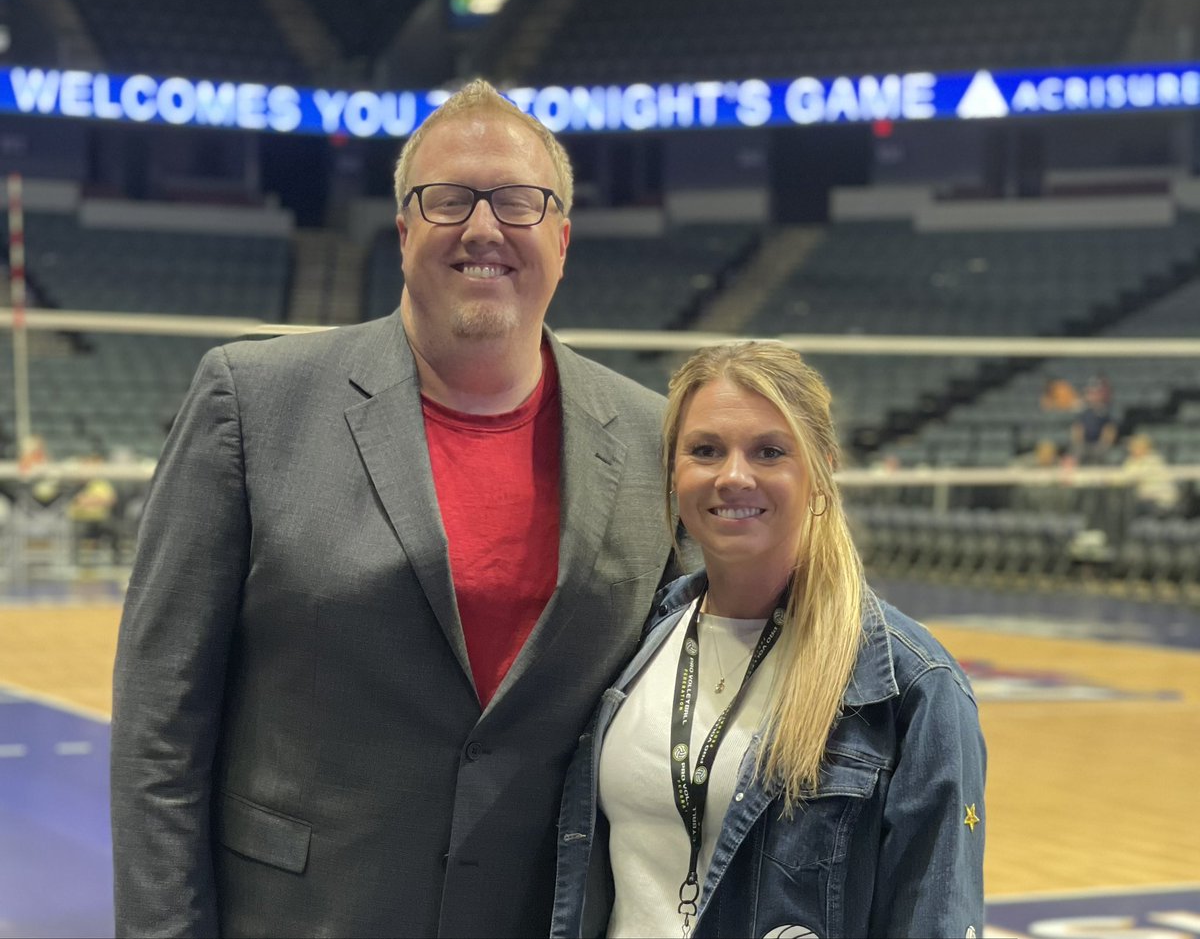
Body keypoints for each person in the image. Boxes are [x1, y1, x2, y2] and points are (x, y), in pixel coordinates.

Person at [110, 79, 682, 938]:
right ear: (406, 227)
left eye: (518, 203)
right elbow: (159, 725)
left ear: (562, 240)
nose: (483, 227)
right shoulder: (252, 401)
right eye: (449, 199)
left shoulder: (652, 437)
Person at [553, 341, 986, 939]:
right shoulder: (634, 638)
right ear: (673, 472)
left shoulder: (912, 690)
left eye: (769, 452)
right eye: (705, 450)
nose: (733, 476)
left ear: (821, 473)